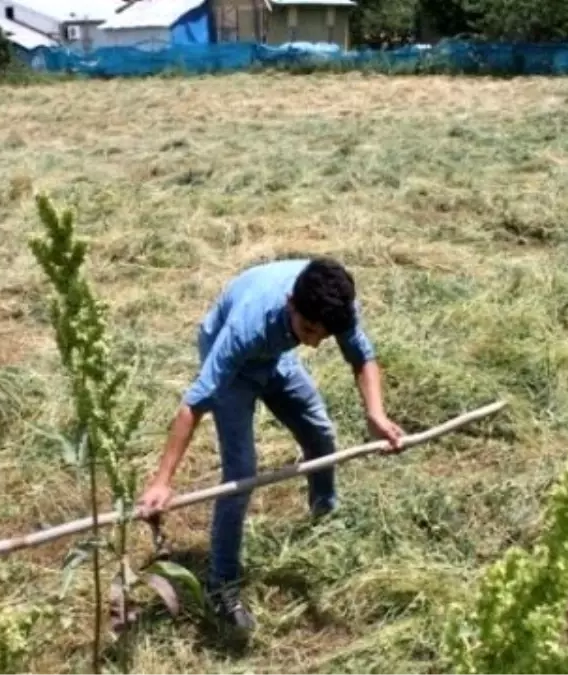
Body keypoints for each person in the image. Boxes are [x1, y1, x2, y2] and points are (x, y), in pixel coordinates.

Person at [135, 256, 405, 633]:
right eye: (309, 330)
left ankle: (323, 513)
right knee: (241, 474)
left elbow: (361, 357)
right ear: (291, 303)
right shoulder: (247, 326)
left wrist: (375, 414)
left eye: (321, 336)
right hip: (236, 368)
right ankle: (222, 584)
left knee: (320, 433)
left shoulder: (335, 304)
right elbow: (194, 404)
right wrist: (163, 480)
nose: (313, 343)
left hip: (277, 358)